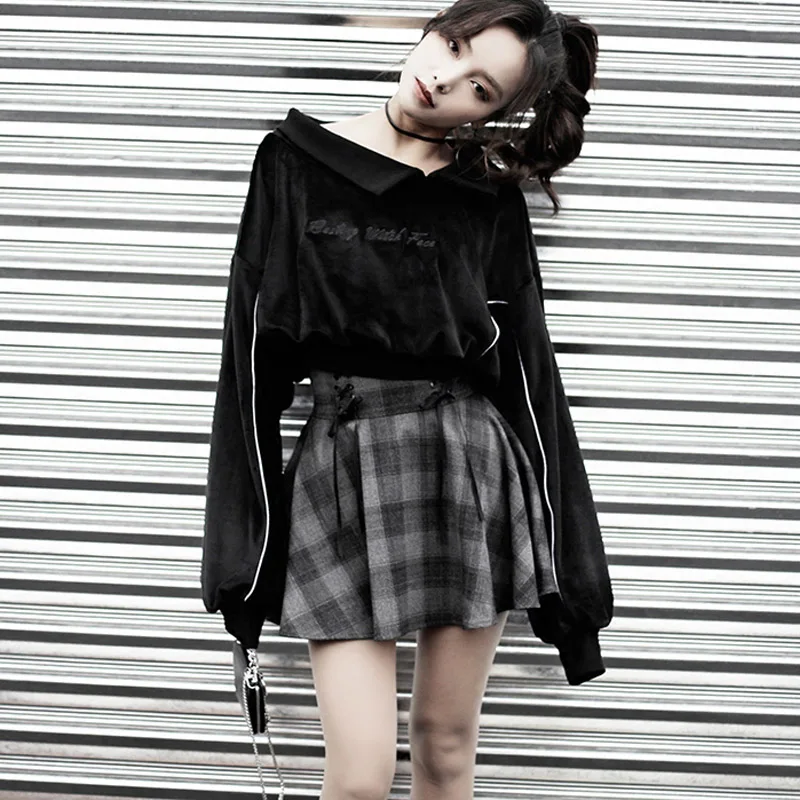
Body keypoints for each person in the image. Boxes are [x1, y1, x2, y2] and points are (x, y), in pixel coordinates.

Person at [201, 0, 613, 797]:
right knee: (358, 773)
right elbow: (250, 360)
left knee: (445, 746)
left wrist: (575, 582)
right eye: (453, 46)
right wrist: (240, 555)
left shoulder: (485, 198)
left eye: (480, 87)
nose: (444, 79)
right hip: (340, 470)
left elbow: (528, 376)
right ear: (432, 28)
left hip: (467, 470)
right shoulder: (293, 162)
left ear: (493, 112)